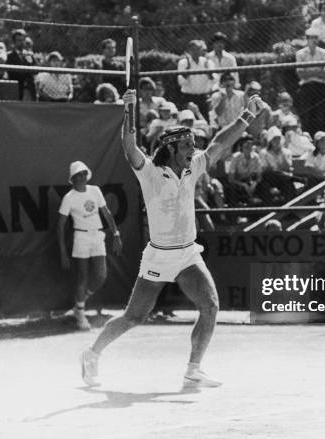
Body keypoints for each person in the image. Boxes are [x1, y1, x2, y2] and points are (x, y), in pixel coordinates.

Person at [80, 89, 265, 387]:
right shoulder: (150, 172)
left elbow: (219, 144)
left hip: (188, 253)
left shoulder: (194, 168)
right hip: (159, 255)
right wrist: (127, 110)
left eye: (193, 144)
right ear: (171, 149)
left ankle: (194, 368)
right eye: (187, 145)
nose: (193, 149)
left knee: (210, 304)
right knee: (134, 316)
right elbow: (129, 148)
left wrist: (248, 114)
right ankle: (91, 353)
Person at [57, 161, 122, 330]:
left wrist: (116, 234)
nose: (82, 177)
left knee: (101, 275)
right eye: (78, 175)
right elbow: (60, 225)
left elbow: (106, 213)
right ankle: (80, 315)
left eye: (84, 174)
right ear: (73, 178)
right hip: (81, 238)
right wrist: (63, 252)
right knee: (83, 277)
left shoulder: (95, 191)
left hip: (97, 236)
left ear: (87, 175)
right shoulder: (69, 198)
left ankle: (79, 305)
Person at [295, 27, 325, 133]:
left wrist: (309, 72)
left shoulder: (324, 53)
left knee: (321, 116)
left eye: (316, 38)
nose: (314, 40)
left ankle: (320, 139)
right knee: (306, 116)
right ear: (307, 39)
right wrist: (318, 71)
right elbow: (300, 74)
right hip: (306, 87)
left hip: (320, 87)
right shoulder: (300, 54)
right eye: (312, 38)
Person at [177, 40, 215, 121]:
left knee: (205, 122)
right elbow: (181, 82)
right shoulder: (183, 63)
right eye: (193, 49)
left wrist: (208, 71)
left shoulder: (207, 62)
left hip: (203, 97)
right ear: (188, 51)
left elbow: (214, 80)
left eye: (198, 49)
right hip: (188, 97)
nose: (195, 52)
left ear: (201, 50)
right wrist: (187, 70)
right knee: (187, 123)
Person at [6, 29, 37, 101]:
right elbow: (10, 72)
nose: (22, 42)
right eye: (19, 40)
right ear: (14, 42)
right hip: (16, 88)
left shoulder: (29, 54)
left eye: (23, 40)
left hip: (29, 89)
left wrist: (30, 63)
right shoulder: (9, 55)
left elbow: (36, 71)